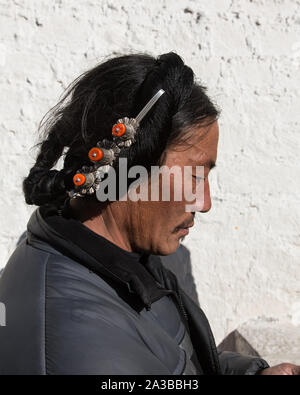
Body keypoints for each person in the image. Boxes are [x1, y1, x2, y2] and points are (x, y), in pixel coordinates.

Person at [0, 52, 299, 375]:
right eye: (195, 175)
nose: (205, 202)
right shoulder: (80, 343)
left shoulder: (115, 262)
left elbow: (170, 360)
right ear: (128, 169)